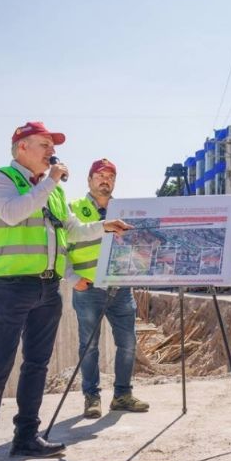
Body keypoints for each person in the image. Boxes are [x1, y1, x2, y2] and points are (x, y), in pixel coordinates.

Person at [0, 122, 130, 461]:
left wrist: (105, 226)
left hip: (47, 289)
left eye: (53, 145)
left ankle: (26, 436)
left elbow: (72, 231)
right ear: (21, 146)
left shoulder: (50, 191)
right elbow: (12, 213)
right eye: (43, 144)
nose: (50, 150)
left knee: (37, 366)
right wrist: (51, 179)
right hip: (9, 288)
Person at [68, 158, 149, 419]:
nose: (105, 180)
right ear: (89, 180)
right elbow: (61, 245)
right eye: (100, 175)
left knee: (127, 343)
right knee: (89, 346)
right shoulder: (75, 208)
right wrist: (71, 278)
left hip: (120, 288)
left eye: (111, 176)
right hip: (88, 288)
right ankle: (92, 397)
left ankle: (122, 395)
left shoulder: (124, 210)